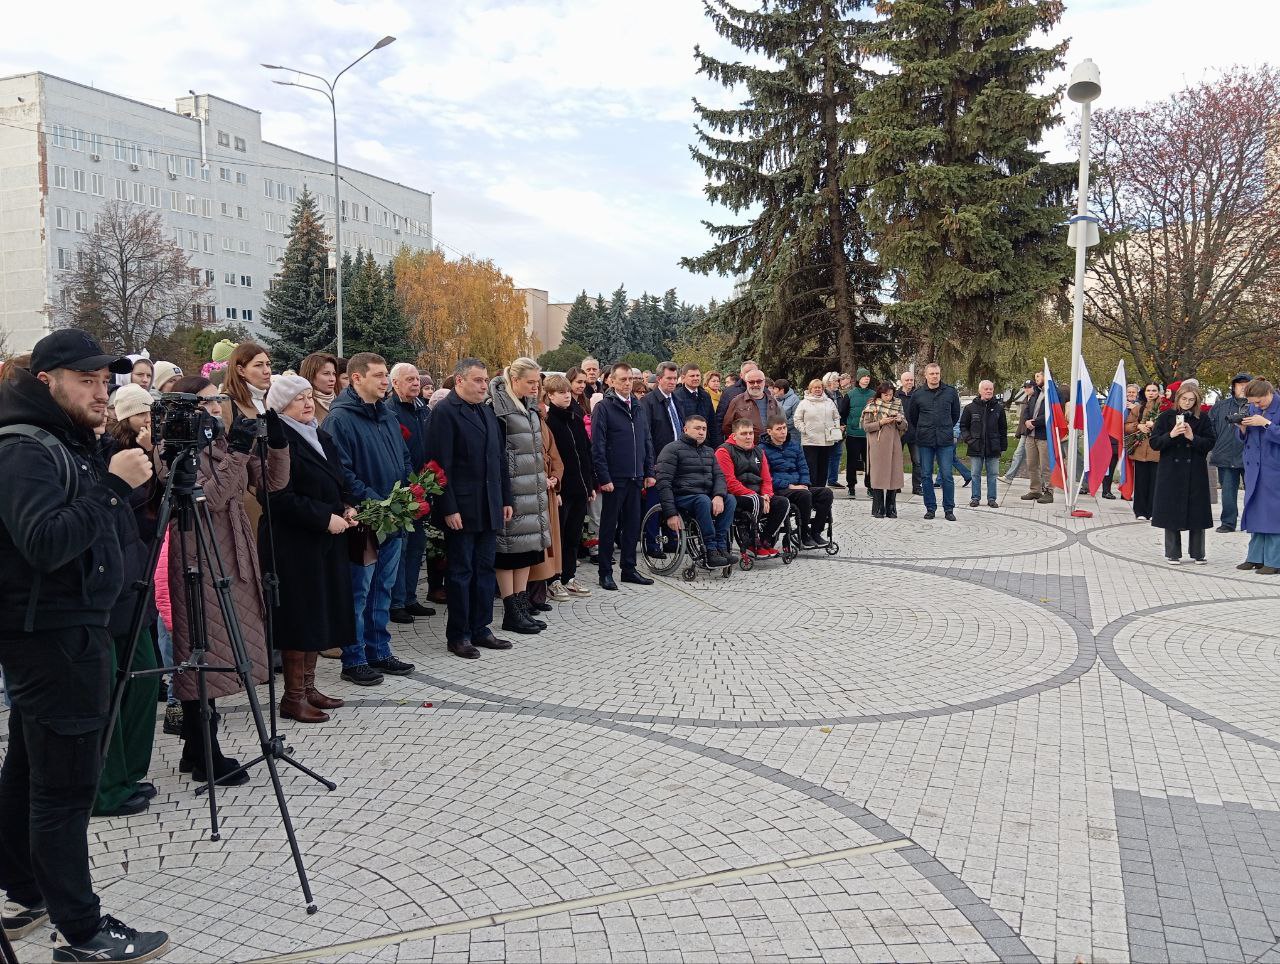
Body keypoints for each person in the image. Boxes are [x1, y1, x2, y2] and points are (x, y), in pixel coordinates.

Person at [0, 330, 170, 961]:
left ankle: (23, 891)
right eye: (88, 381)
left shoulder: (63, 441)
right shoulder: (23, 449)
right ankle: (83, 932)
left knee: (26, 771)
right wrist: (112, 484)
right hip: (52, 637)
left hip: (64, 629)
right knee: (64, 789)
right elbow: (44, 541)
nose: (103, 392)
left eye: (106, 381)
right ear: (47, 382)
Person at [164, 376, 289, 784]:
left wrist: (276, 442)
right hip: (199, 557)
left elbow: (270, 483)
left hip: (233, 555)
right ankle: (205, 754)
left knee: (228, 645)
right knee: (205, 649)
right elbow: (212, 499)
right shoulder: (175, 449)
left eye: (217, 400)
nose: (214, 408)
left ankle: (194, 749)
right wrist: (236, 451)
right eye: (204, 403)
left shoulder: (219, 441)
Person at [265, 375, 355, 724]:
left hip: (327, 538)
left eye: (308, 396)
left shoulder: (319, 434)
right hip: (294, 542)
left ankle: (310, 687)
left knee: (321, 611)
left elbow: (339, 479)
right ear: (281, 405)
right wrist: (323, 518)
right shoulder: (277, 439)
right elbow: (278, 497)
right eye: (298, 398)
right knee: (300, 617)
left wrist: (348, 505)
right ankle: (293, 697)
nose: (306, 403)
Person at [323, 353, 417, 685]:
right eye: (378, 375)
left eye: (385, 374)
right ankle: (354, 658)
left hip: (392, 517)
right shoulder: (339, 419)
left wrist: (406, 493)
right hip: (363, 520)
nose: (384, 381)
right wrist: (378, 503)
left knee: (383, 589)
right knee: (359, 591)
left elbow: (403, 457)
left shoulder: (387, 414)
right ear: (357, 378)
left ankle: (379, 650)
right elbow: (342, 473)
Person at [95, 384, 162, 818]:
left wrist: (154, 460)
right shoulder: (99, 453)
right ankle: (107, 785)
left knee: (144, 679)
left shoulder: (108, 448)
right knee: (109, 690)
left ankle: (130, 772)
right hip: (103, 588)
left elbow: (151, 503)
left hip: (133, 577)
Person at [423, 359, 514, 659]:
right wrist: (448, 507)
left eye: (485, 380)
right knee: (461, 572)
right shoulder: (445, 413)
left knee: (485, 569)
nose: (483, 385)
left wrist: (505, 499)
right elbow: (439, 465)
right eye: (477, 380)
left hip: (488, 504)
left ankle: (481, 627)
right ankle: (458, 634)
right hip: (461, 507)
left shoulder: (487, 410)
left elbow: (499, 460)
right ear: (459, 381)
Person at [486, 358, 555, 633]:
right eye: (530, 382)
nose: (535, 387)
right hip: (513, 492)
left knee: (526, 552)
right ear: (514, 381)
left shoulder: (529, 409)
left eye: (537, 383)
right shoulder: (498, 410)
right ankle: (511, 611)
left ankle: (522, 607)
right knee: (508, 554)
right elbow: (499, 455)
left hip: (532, 491)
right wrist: (505, 494)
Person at [591, 361, 656, 591]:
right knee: (609, 525)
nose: (627, 383)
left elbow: (646, 440)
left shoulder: (637, 406)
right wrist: (604, 477)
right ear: (611, 381)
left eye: (630, 379)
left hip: (636, 475)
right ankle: (605, 572)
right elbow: (598, 445)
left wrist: (649, 471)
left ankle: (629, 568)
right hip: (615, 477)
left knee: (631, 525)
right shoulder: (604, 407)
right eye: (623, 379)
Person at [387, 362, 435, 625]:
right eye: (409, 379)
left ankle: (409, 597)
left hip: (423, 485)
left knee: (416, 544)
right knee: (401, 546)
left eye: (417, 379)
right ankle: (396, 603)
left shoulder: (423, 410)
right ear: (395, 383)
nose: (416, 383)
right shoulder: (389, 411)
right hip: (401, 489)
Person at [655, 414, 736, 566]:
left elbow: (720, 477)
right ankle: (710, 550)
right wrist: (670, 513)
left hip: (704, 497)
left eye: (704, 429)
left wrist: (718, 496)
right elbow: (663, 482)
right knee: (703, 500)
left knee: (730, 499)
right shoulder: (672, 449)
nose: (701, 432)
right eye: (697, 428)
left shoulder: (709, 451)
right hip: (682, 496)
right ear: (685, 429)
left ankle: (721, 546)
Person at [1149, 383, 1215, 564]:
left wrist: (1193, 438)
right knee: (1171, 512)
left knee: (1197, 512)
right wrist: (1171, 435)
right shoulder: (1165, 417)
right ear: (1178, 398)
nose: (1187, 403)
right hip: (1171, 471)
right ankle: (1172, 552)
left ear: (1197, 401)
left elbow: (1210, 443)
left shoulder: (1203, 418)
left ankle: (1198, 553)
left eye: (1191, 400)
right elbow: (1154, 443)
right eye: (1184, 399)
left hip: (1195, 471)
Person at [543, 374, 595, 597]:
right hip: (562, 489)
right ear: (550, 395)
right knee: (559, 536)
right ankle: (553, 579)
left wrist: (590, 484)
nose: (566, 396)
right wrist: (557, 489)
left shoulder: (576, 417)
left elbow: (585, 452)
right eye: (560, 393)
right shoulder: (549, 421)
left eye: (567, 392)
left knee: (574, 535)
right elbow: (552, 458)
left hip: (580, 487)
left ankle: (569, 576)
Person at [717, 419, 790, 557]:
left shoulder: (758, 451)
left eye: (751, 433)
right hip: (736, 496)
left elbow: (767, 479)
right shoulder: (724, 451)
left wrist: (767, 495)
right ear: (734, 435)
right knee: (756, 501)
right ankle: (751, 543)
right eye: (744, 433)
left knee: (783, 503)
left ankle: (764, 540)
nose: (749, 437)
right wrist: (755, 496)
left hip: (758, 496)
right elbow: (729, 482)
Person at [763, 416, 832, 548]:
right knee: (804, 495)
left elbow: (803, 467)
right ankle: (803, 533)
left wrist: (805, 484)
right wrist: (789, 485)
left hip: (799, 486)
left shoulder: (794, 445)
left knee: (826, 493)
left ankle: (816, 532)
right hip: (780, 488)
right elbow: (766, 477)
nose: (783, 432)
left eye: (784, 428)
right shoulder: (762, 449)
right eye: (778, 429)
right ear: (769, 432)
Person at [906, 363, 962, 521]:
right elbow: (913, 417)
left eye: (937, 373)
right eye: (931, 374)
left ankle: (949, 509)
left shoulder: (950, 392)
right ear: (926, 375)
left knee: (947, 475)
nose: (935, 376)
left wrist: (945, 427)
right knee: (925, 475)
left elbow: (955, 414)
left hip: (945, 440)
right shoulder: (918, 394)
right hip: (925, 440)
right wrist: (925, 428)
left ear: (940, 374)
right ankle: (930, 508)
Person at [640, 362, 685, 555]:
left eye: (675, 378)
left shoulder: (677, 399)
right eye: (669, 378)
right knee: (654, 503)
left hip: (678, 460)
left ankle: (671, 540)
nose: (673, 382)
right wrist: (650, 467)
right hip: (658, 461)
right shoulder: (648, 402)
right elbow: (646, 436)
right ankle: (651, 543)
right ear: (659, 379)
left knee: (672, 501)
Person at [1238, 378, 1280, 575]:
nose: (1256, 405)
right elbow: (1247, 439)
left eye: (1259, 401)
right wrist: (1243, 428)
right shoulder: (1254, 409)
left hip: (1274, 469)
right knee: (1255, 510)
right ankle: (1255, 557)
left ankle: (1274, 561)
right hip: (1255, 468)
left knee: (1273, 515)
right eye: (1253, 402)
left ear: (1269, 394)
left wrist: (1267, 423)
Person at [1208, 373, 1253, 533]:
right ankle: (1228, 522)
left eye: (1246, 384)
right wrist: (1215, 446)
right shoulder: (1220, 406)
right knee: (1227, 492)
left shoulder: (1256, 405)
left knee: (1252, 491)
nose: (1243, 386)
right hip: (1225, 454)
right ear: (1233, 387)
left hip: (1250, 456)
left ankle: (1252, 522)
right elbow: (1210, 428)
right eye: (1239, 384)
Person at [861, 380, 908, 519]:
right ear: (880, 394)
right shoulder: (872, 406)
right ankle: (878, 508)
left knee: (894, 474)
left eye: (891, 394)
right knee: (878, 475)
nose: (889, 397)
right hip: (878, 444)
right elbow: (866, 427)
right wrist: (881, 422)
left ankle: (891, 508)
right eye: (886, 395)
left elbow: (905, 426)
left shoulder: (897, 405)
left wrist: (899, 421)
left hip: (894, 444)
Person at [960, 381, 1008, 509]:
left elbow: (1003, 428)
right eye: (986, 389)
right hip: (976, 446)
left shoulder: (999, 408)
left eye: (991, 389)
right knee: (975, 473)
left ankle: (992, 499)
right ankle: (975, 498)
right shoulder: (970, 408)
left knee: (992, 474)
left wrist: (1003, 446)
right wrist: (969, 440)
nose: (989, 391)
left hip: (993, 446)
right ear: (980, 391)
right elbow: (963, 426)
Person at [793, 378, 842, 486]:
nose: (817, 389)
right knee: (811, 468)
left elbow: (836, 417)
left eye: (819, 387)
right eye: (815, 387)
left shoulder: (829, 402)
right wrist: (805, 430)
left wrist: (835, 428)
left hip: (826, 440)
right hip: (810, 441)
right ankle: (812, 490)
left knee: (823, 468)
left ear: (823, 389)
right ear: (810, 389)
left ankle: (822, 490)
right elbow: (797, 419)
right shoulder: (804, 403)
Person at [1125, 382, 1163, 520]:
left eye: (1154, 390)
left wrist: (1155, 425)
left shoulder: (1164, 409)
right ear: (1144, 392)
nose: (1151, 393)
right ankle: (1140, 511)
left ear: (1158, 392)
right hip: (1140, 451)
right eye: (1148, 390)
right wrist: (1138, 426)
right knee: (1140, 483)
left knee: (1155, 484)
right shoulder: (1138, 409)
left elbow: (1169, 427)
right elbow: (1127, 426)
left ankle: (1153, 511)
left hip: (1157, 452)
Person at [721, 368, 782, 441]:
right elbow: (727, 427)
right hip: (747, 448)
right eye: (751, 382)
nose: (755, 385)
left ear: (764, 382)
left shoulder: (772, 400)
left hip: (771, 446)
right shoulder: (736, 402)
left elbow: (778, 422)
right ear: (746, 383)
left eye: (759, 381)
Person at [843, 369, 874, 497]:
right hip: (853, 434)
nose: (866, 378)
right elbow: (843, 412)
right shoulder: (850, 395)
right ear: (858, 379)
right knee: (852, 461)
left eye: (868, 376)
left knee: (870, 462)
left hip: (868, 434)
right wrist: (848, 426)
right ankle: (851, 486)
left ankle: (870, 486)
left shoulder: (874, 394)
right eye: (864, 376)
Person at [674, 363, 721, 448]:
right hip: (685, 445)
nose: (696, 378)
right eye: (692, 376)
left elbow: (712, 423)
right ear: (683, 378)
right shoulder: (677, 396)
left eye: (697, 375)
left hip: (705, 444)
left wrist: (716, 445)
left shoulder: (705, 395)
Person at [1001, 380, 1032, 484]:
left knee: (1037, 458)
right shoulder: (1025, 400)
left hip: (1034, 433)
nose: (1026, 389)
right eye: (1025, 387)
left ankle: (1045, 482)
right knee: (1018, 454)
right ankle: (1009, 476)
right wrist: (1019, 432)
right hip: (1025, 433)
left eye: (1029, 387)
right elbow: (1022, 420)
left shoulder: (1035, 400)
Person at [895, 370, 921, 495]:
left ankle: (917, 487)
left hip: (915, 433)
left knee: (917, 461)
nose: (910, 382)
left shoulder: (918, 394)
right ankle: (896, 485)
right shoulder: (895, 395)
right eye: (907, 380)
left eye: (911, 380)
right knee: (897, 461)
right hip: (899, 433)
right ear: (901, 381)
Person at [299, 352, 339, 425]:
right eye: (326, 373)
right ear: (311, 375)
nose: (332, 379)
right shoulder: (303, 405)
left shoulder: (341, 400)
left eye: (334, 374)